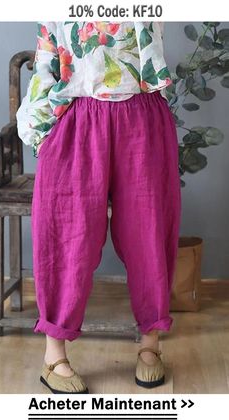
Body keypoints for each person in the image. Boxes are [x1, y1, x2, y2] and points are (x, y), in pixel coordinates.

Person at [16, 21, 181, 394]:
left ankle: (151, 343)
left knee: (149, 230)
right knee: (67, 236)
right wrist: (43, 132)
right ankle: (53, 352)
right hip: (76, 116)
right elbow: (46, 61)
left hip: (142, 114)